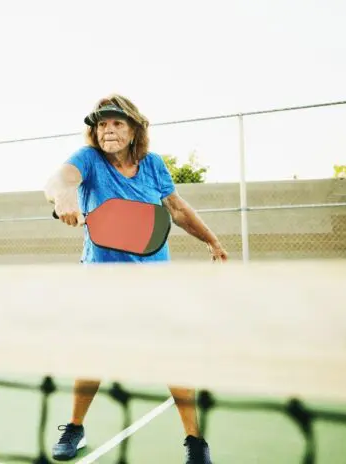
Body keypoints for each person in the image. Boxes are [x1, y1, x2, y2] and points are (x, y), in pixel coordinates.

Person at [43, 94, 227, 464]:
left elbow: (176, 208)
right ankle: (75, 426)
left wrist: (213, 241)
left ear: (134, 129)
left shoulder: (153, 165)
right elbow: (58, 179)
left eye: (117, 123)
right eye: (102, 124)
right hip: (102, 279)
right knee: (93, 355)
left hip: (153, 279)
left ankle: (195, 440)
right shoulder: (89, 160)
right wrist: (61, 198)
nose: (108, 130)